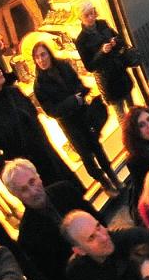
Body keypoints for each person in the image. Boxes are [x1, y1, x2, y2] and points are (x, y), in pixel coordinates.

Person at [31, 39, 122, 195]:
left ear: (49, 54)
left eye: (43, 55)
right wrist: (73, 100)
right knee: (86, 156)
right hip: (68, 123)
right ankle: (104, 182)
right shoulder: (39, 84)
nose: (41, 60)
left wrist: (80, 94)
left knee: (97, 147)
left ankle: (113, 176)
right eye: (37, 57)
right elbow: (51, 110)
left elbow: (77, 83)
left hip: (83, 114)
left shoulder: (63, 66)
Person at [2, 158, 96, 280]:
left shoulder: (65, 190)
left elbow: (99, 221)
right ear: (16, 195)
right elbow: (56, 277)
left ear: (38, 177)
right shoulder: (27, 237)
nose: (33, 192)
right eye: (24, 190)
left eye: (32, 182)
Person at [0, 61, 77, 189]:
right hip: (27, 169)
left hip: (45, 152)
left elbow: (33, 115)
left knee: (66, 188)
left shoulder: (13, 92)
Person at [62, 210, 149, 280]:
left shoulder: (136, 239)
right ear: (80, 251)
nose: (104, 238)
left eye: (98, 226)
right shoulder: (77, 274)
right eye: (91, 238)